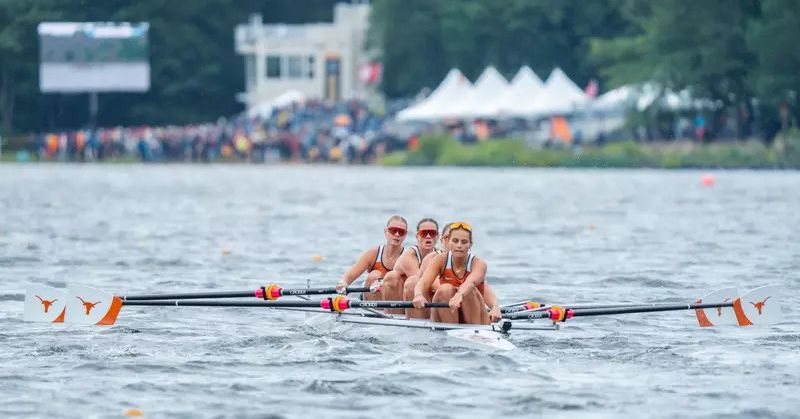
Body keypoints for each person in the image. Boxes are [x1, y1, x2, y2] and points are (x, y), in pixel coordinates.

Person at [412, 222, 498, 324]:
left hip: (472, 313)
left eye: (464, 242)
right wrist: (418, 295)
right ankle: (449, 328)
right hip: (447, 311)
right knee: (445, 289)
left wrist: (495, 307)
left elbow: (471, 282)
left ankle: (474, 330)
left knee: (470, 290)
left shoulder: (479, 264)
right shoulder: (439, 260)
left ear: (470, 244)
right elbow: (423, 283)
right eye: (455, 241)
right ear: (448, 241)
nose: (459, 245)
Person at [336, 215, 407, 300]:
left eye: (401, 232)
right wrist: (342, 283)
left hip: (395, 297)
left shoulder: (408, 257)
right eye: (393, 230)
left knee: (393, 278)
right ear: (386, 231)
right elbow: (348, 277)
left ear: (405, 235)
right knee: (374, 275)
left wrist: (382, 282)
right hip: (372, 296)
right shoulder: (372, 254)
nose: (397, 234)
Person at [380, 218, 439, 314]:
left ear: (437, 236)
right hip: (404, 301)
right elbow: (423, 281)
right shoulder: (409, 256)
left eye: (432, 233)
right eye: (424, 233)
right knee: (410, 280)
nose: (428, 236)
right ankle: (395, 316)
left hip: (424, 299)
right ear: (417, 236)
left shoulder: (440, 254)